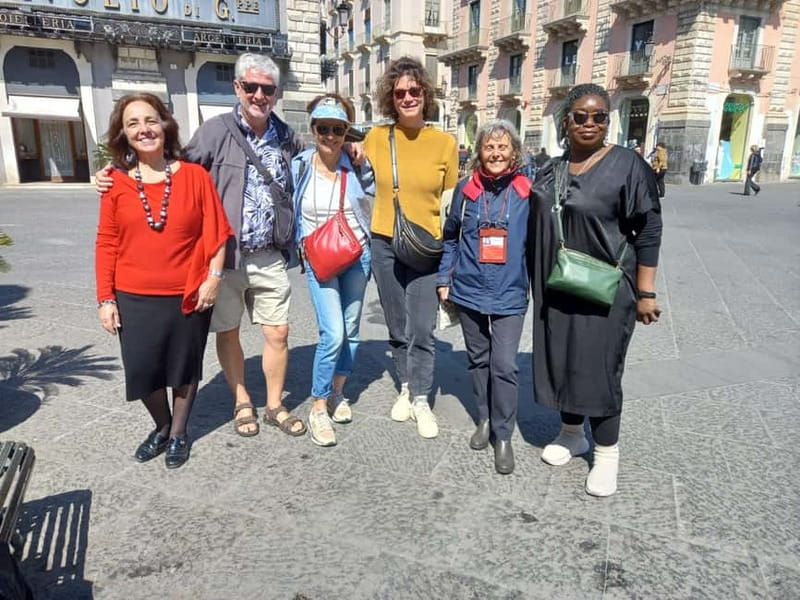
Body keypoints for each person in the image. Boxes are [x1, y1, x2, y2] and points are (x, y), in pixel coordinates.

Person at [528, 83, 663, 496]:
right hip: (559, 283)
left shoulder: (627, 164)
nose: (590, 123)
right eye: (580, 116)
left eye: (599, 116)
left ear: (609, 120)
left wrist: (646, 292)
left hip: (606, 287)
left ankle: (607, 454)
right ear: (565, 121)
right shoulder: (552, 167)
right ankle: (572, 433)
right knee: (564, 359)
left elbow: (650, 227)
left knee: (599, 371)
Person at [95, 93, 233, 469]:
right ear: (123, 135)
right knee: (143, 370)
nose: (144, 129)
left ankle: (177, 434)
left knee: (183, 368)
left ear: (165, 125)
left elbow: (216, 232)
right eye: (133, 123)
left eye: (151, 120)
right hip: (133, 295)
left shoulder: (195, 176)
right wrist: (105, 299)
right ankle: (162, 424)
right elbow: (107, 242)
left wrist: (214, 278)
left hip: (187, 290)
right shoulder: (115, 184)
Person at [364, 56, 459, 439]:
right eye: (399, 92)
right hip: (383, 241)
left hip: (426, 248)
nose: (407, 98)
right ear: (391, 97)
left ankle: (421, 398)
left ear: (425, 94)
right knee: (396, 324)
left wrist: (452, 260)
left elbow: (453, 203)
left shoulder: (445, 143)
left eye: (414, 91)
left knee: (422, 327)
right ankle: (405, 385)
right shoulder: (374, 138)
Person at [437, 120, 531, 474]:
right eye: (489, 147)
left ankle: (504, 434)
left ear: (514, 152)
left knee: (504, 364)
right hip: (470, 288)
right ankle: (485, 419)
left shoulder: (526, 191)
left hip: (510, 290)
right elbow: (450, 237)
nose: (495, 153)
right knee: (478, 361)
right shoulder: (466, 190)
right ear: (479, 152)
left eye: (502, 147)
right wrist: (445, 278)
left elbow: (539, 242)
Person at [291, 94, 375, 447]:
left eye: (337, 129)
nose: (329, 135)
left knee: (352, 330)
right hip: (320, 259)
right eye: (323, 128)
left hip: (357, 254)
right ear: (313, 130)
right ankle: (318, 406)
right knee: (334, 333)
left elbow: (373, 195)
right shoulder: (299, 165)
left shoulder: (354, 163)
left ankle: (338, 392)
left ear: (346, 132)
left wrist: (364, 160)